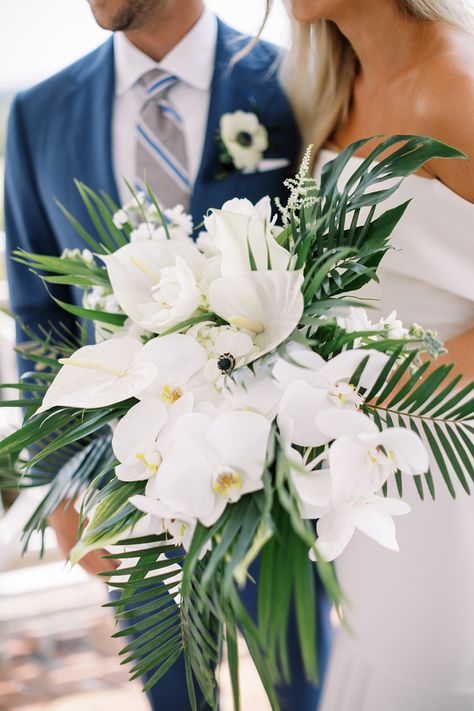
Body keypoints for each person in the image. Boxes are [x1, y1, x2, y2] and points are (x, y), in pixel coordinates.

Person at [4, 1, 332, 709]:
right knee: (174, 694)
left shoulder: (297, 84)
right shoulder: (37, 114)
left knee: (301, 689)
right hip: (129, 481)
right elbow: (39, 316)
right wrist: (60, 483)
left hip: (277, 478)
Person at [282, 0, 474, 709]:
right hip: (368, 482)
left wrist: (383, 389)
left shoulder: (456, 84)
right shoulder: (338, 88)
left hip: (445, 466)